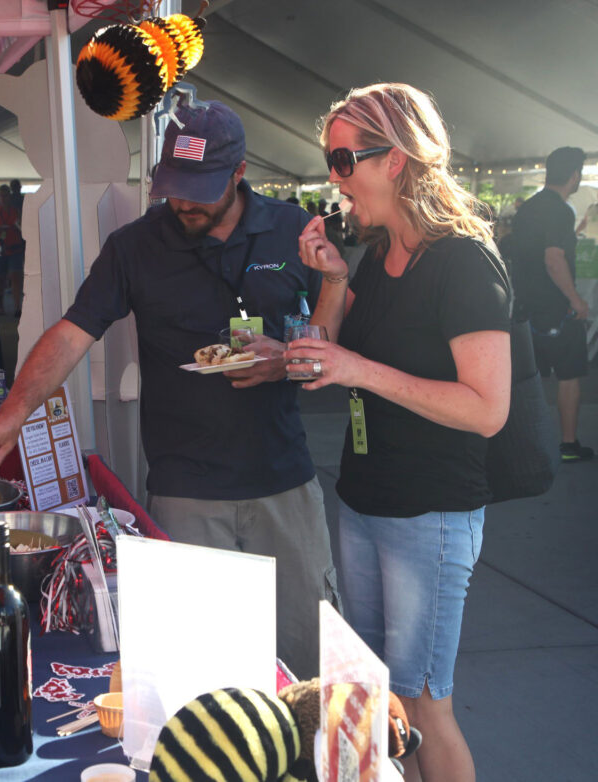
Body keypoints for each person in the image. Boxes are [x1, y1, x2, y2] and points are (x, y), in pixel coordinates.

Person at [0, 100, 337, 679]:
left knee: (305, 657)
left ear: (239, 174)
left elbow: (335, 337)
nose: (182, 202)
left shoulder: (293, 230)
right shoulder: (135, 245)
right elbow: (71, 333)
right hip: (186, 491)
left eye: (200, 188)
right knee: (200, 665)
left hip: (283, 482)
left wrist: (288, 359)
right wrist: (12, 412)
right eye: (174, 186)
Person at [290, 83, 511, 782]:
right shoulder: (381, 256)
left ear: (397, 161)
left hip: (431, 514)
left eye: (344, 158)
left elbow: (487, 409)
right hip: (364, 500)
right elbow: (322, 352)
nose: (334, 176)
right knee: (378, 694)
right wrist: (329, 278)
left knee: (422, 703)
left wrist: (361, 369)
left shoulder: (464, 261)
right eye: (331, 159)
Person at [503, 146, 592, 462]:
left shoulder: (528, 207)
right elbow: (554, 258)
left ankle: (527, 443)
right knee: (568, 376)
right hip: (557, 308)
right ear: (574, 176)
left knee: (531, 379)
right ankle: (568, 445)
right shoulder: (559, 209)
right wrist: (576, 299)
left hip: (526, 305)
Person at [0, 184, 25, 316]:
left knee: (16, 278)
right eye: (1, 196)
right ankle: (1, 306)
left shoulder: (16, 211)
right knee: (0, 279)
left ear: (9, 196)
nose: (3, 198)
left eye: (5, 195)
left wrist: (18, 226)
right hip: (1, 249)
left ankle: (17, 307)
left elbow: (24, 229)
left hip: (15, 248)